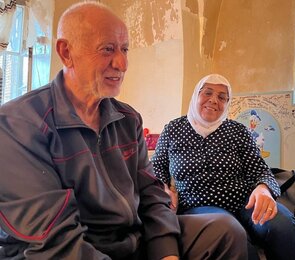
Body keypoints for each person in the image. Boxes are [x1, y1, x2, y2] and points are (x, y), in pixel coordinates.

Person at [0, 3, 246, 260]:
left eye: (125, 49)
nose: (122, 63)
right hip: (69, 249)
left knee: (224, 231)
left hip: (130, 240)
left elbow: (151, 195)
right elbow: (54, 243)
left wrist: (166, 252)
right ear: (66, 52)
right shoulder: (17, 124)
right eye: (107, 49)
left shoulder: (128, 119)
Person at [151, 74, 295, 260]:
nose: (214, 100)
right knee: (237, 238)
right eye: (207, 93)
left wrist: (263, 189)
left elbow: (260, 169)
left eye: (222, 97)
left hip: (245, 202)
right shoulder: (173, 129)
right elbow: (156, 168)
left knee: (282, 226)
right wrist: (164, 189)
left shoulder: (237, 131)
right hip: (198, 205)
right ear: (196, 95)